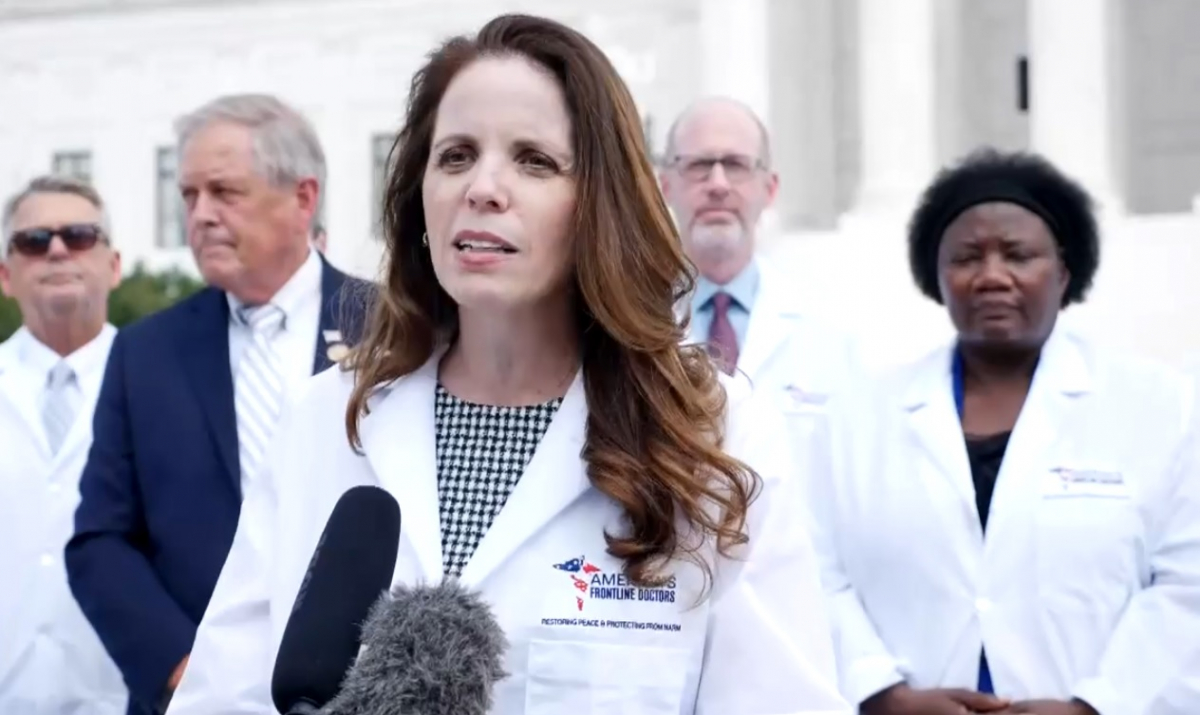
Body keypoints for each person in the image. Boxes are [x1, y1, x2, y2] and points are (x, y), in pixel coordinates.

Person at [166, 13, 848, 715]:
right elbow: (221, 697)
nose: (483, 187)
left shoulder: (712, 431)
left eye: (534, 160)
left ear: (600, 203)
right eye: (456, 156)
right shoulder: (325, 420)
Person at [808, 148, 1200, 715]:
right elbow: (816, 571)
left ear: (1064, 271)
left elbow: (1187, 584)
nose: (992, 276)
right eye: (967, 257)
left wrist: (1096, 706)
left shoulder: (1159, 408)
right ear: (936, 275)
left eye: (1018, 255)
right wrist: (884, 695)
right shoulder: (858, 419)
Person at [65, 94, 373, 715]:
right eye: (189, 195)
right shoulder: (145, 353)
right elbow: (101, 539)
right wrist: (182, 669)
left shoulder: (395, 331)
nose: (200, 215)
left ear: (303, 198)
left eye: (224, 192)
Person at [659, 97, 862, 479]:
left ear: (770, 188)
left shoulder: (830, 334)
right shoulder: (627, 328)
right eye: (699, 165)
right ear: (665, 185)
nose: (718, 184)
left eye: (736, 165)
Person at [0, 176, 127, 713]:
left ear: (113, 266)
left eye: (79, 236)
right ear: (5, 275)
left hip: (127, 697)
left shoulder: (163, 387)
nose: (56, 250)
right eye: (33, 241)